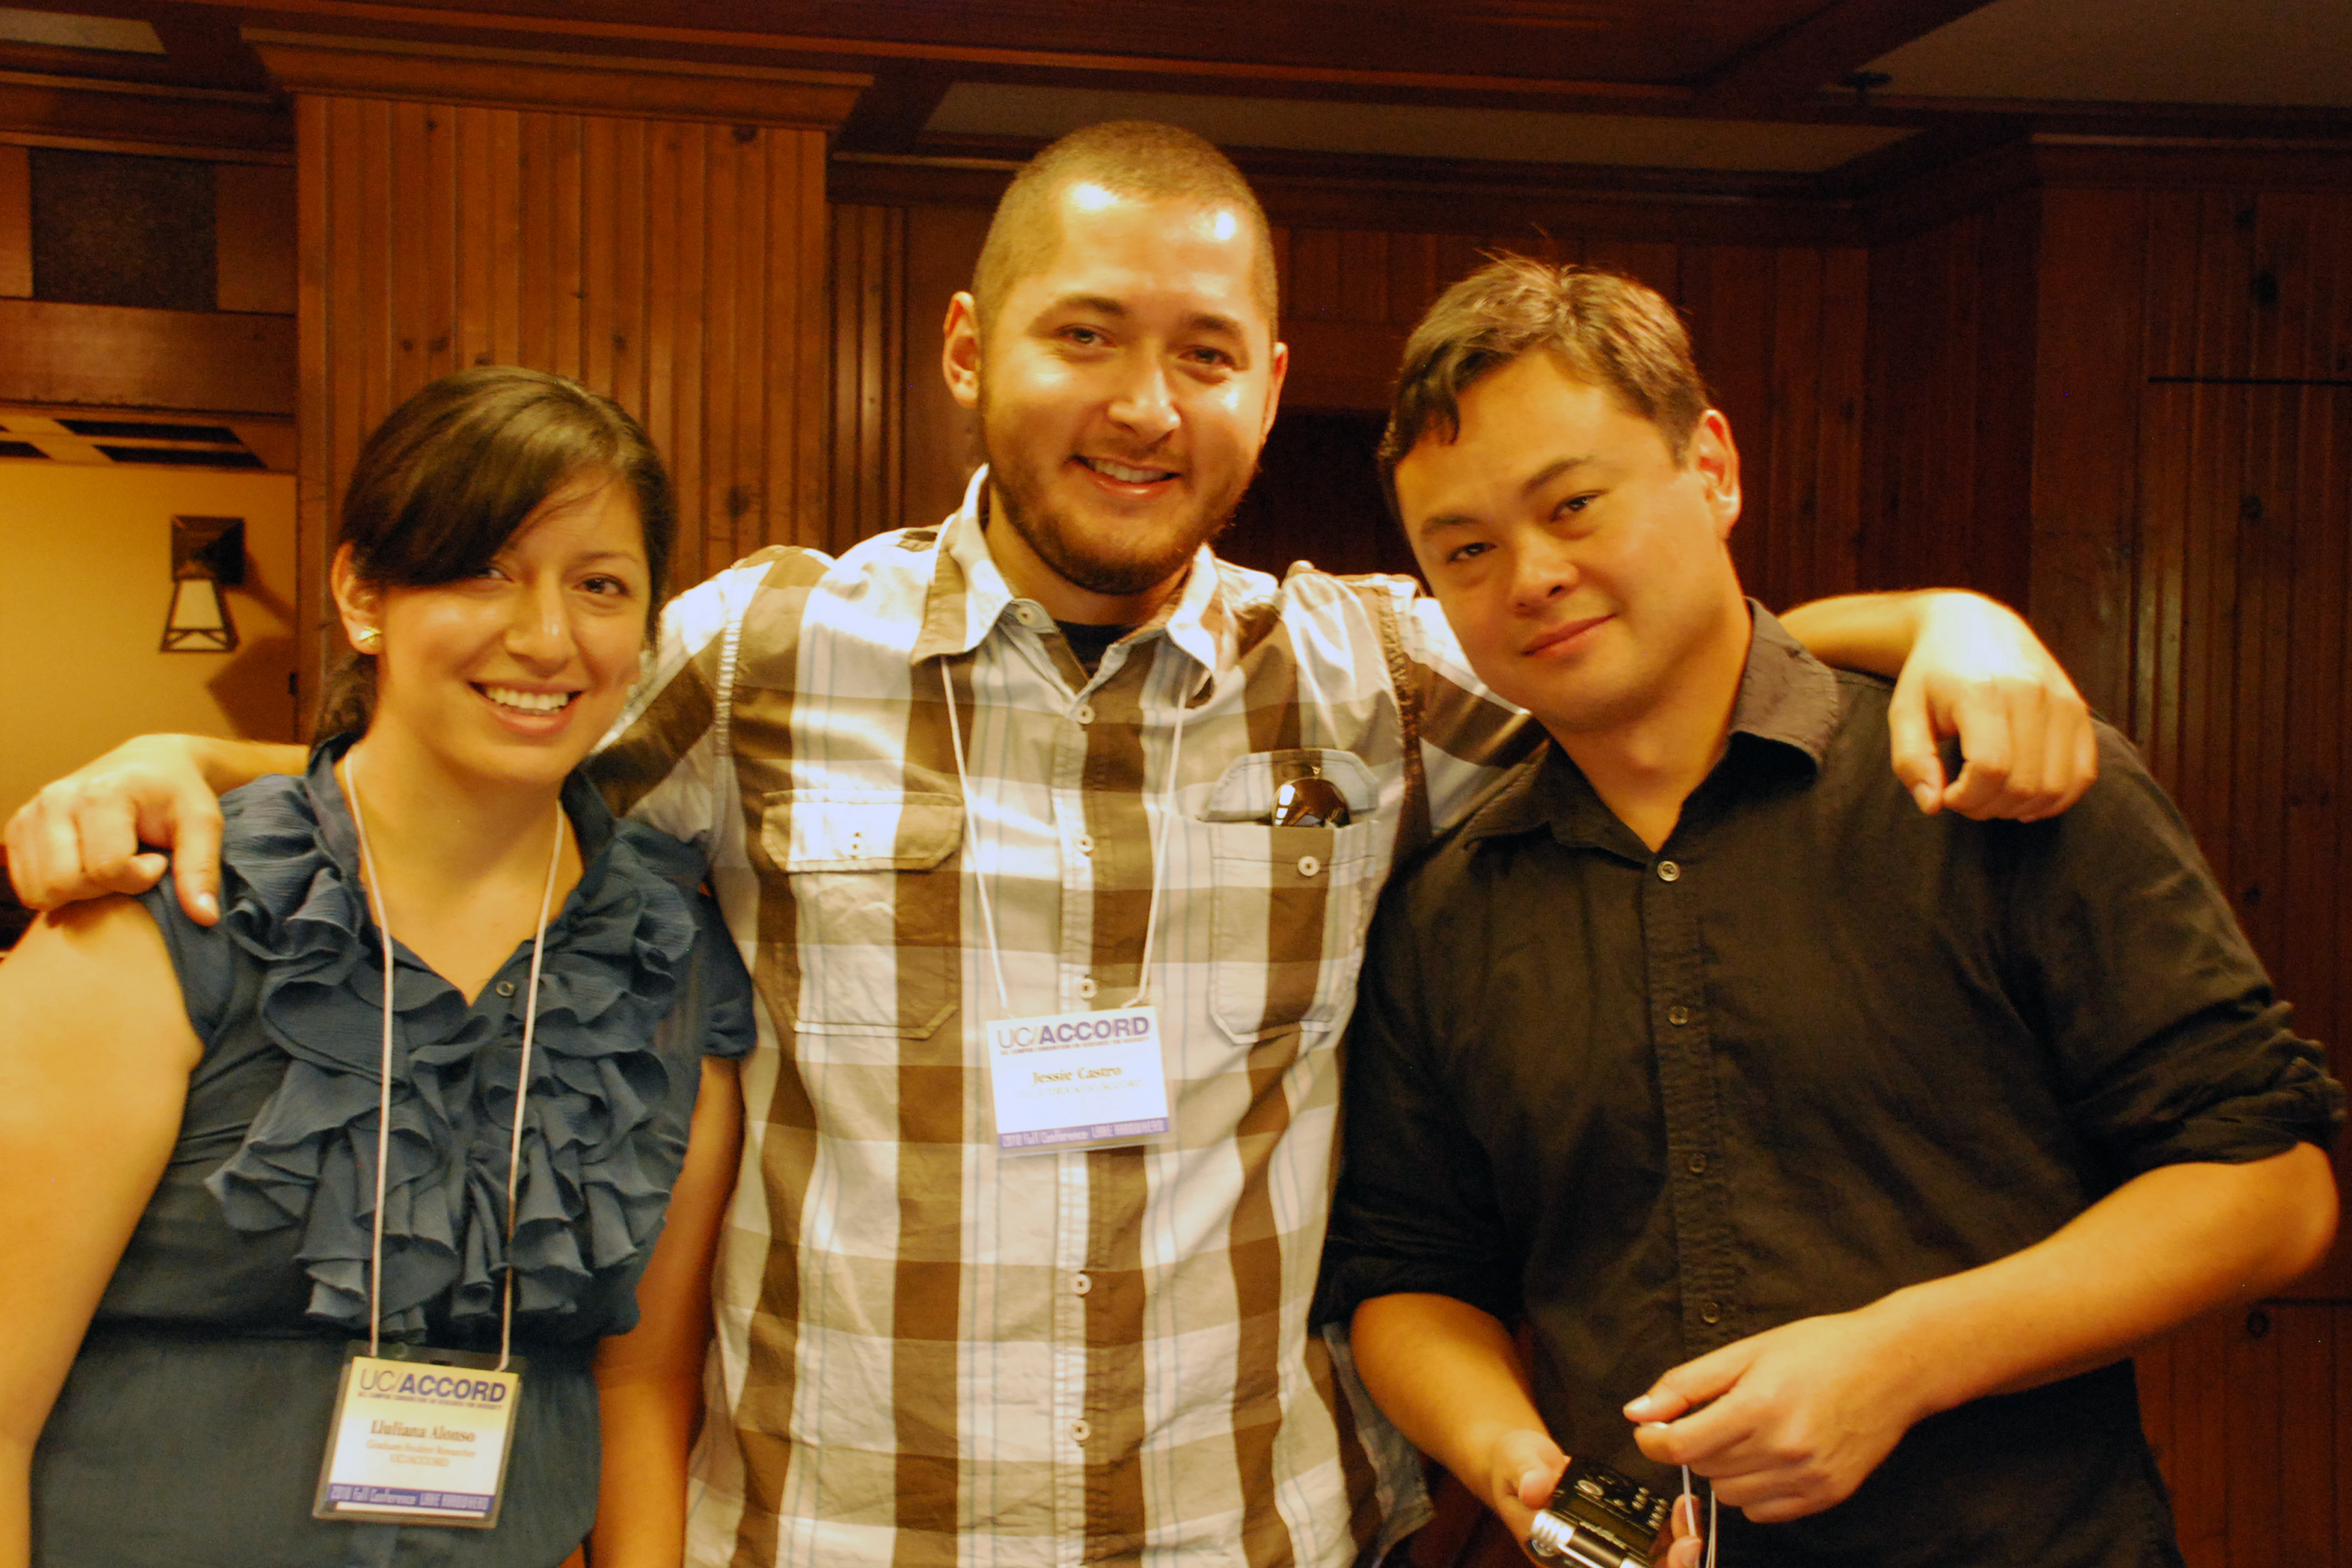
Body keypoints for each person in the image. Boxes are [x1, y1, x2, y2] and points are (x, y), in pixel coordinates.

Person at [7, 125, 2103, 1568]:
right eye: (1084, 333)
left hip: (1245, 1533)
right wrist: (184, 762)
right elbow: (461, 763)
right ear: (965, 351)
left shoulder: (1367, 669)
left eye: (1204, 355)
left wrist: (1946, 619)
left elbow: (1664, 658)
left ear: (1272, 390)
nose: (1142, 403)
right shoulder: (756, 649)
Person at [1319, 257, 2345, 1568]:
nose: (1531, 575)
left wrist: (1904, 1359)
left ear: (1714, 467)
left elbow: (2270, 1182)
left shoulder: (1989, 778)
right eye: (1465, 550)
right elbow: (1413, 1270)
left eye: (1574, 503)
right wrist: (1536, 1481)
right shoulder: (1451, 909)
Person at [0, 367, 755, 1568]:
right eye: (484, 569)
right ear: (363, 592)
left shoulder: (672, 966)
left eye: (600, 586)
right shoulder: (161, 921)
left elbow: (639, 1395)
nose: (547, 636)